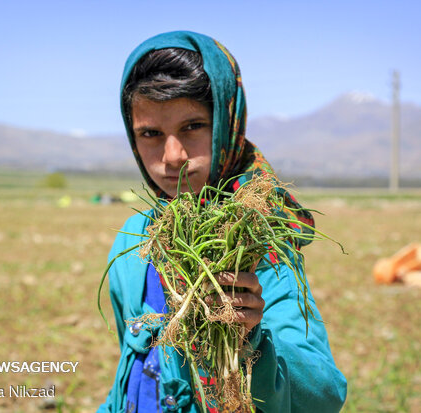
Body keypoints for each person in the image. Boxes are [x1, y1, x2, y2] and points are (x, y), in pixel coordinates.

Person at [98, 31, 347, 413]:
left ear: (226, 124)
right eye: (151, 133)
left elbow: (324, 395)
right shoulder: (132, 242)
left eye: (192, 127)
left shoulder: (257, 245)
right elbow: (134, 368)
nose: (173, 156)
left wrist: (253, 340)